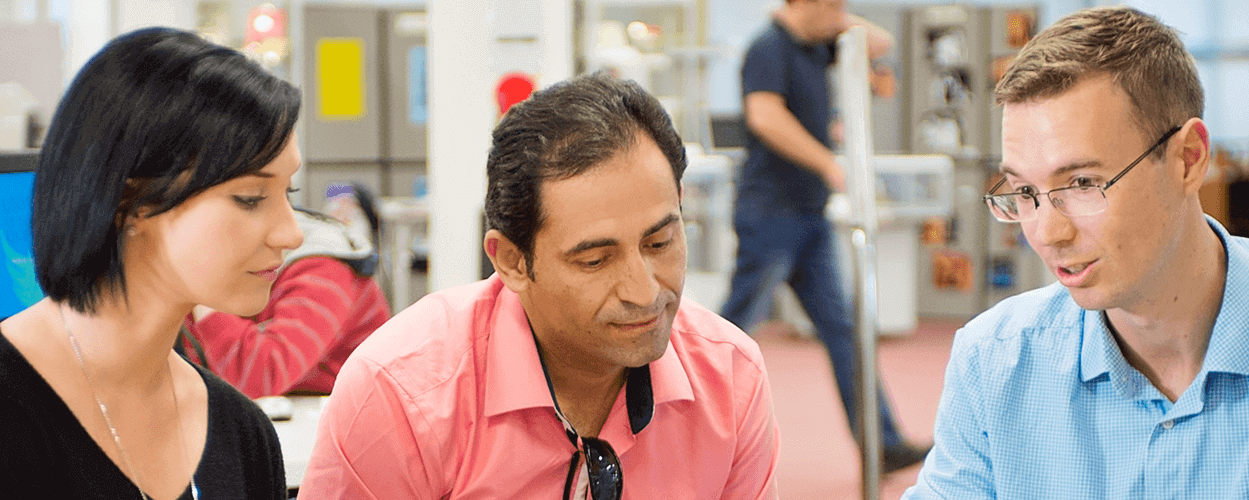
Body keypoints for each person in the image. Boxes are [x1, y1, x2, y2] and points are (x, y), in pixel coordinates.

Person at [904, 7, 1249, 499]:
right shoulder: (995, 360)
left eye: (1082, 183)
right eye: (1023, 192)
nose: (1047, 233)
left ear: (1189, 159)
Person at [0, 27, 301, 499]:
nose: (291, 233)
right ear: (131, 201)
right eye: (251, 198)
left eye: (288, 193)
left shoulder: (242, 434)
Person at [299, 74, 780, 499]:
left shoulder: (728, 377)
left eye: (660, 242)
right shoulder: (402, 394)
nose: (644, 291)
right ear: (511, 261)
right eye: (595, 260)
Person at [724, 0, 928, 471]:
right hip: (771, 214)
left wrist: (838, 21)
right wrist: (828, 163)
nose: (842, 14)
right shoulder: (768, 47)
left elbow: (882, 41)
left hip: (809, 217)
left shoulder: (818, 45)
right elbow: (764, 116)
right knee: (733, 333)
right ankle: (677, 423)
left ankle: (884, 442)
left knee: (845, 332)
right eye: (834, 4)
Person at [182, 195, 391, 399]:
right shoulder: (227, 258)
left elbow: (257, 376)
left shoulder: (321, 268)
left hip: (343, 412)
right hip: (291, 409)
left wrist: (205, 297)